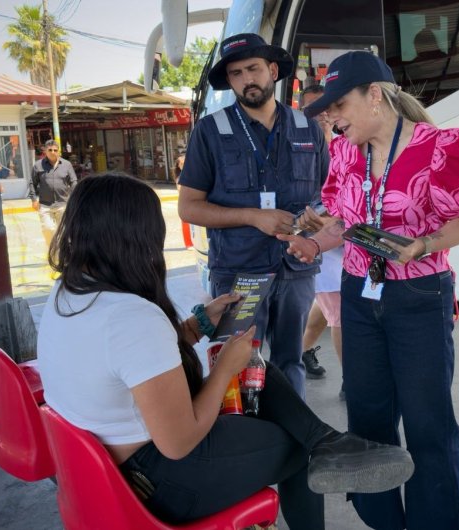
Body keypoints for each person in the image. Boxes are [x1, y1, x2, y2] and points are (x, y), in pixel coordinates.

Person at [37, 174, 414, 529]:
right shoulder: (132, 317)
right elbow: (179, 442)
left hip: (106, 470)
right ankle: (319, 447)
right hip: (156, 482)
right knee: (295, 448)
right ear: (136, 238)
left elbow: (126, 361)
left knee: (259, 372)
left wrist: (197, 325)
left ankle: (328, 442)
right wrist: (223, 371)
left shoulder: (69, 292)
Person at [281, 51, 459, 530]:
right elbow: (346, 222)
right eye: (327, 112)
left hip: (419, 296)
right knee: (368, 418)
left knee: (428, 422)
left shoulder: (442, 147)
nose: (332, 119)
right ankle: (383, 521)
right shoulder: (345, 152)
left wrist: (424, 245)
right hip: (360, 293)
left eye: (339, 106)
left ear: (375, 95)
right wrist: (314, 241)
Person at [178, 33, 328, 399]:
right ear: (229, 81)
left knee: (291, 361)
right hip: (238, 272)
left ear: (273, 71)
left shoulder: (308, 128)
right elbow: (188, 206)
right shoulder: (210, 131)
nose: (247, 79)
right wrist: (252, 216)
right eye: (236, 73)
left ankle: (291, 429)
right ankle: (247, 431)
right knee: (237, 363)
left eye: (253, 69)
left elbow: (329, 198)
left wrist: (317, 222)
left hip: (296, 270)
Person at [298, 84, 339, 382]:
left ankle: (300, 350)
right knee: (339, 312)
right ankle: (353, 383)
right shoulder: (296, 152)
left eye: (326, 108)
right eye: (313, 110)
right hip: (319, 241)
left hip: (347, 238)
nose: (321, 116)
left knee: (325, 309)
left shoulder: (348, 143)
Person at [28, 139, 77, 249]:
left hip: (63, 204)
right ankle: (53, 250)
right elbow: (32, 183)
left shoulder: (67, 165)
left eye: (55, 150)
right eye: (50, 150)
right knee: (48, 229)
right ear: (45, 151)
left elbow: (73, 181)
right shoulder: (38, 166)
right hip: (45, 205)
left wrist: (74, 197)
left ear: (58, 151)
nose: (53, 152)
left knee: (64, 231)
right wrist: (34, 199)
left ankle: (63, 253)